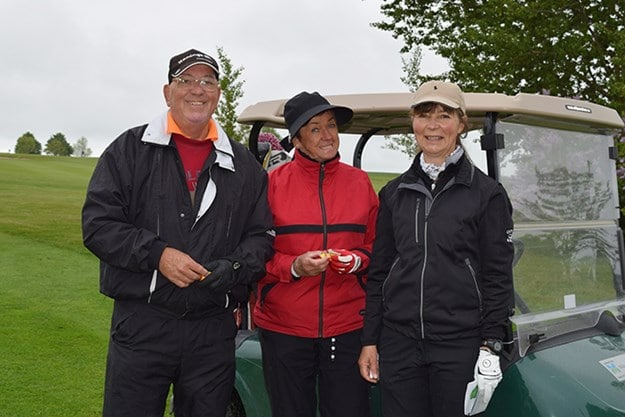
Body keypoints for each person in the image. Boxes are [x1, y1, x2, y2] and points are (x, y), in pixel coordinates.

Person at [81, 48, 274, 417]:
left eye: (207, 82)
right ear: (168, 91)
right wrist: (158, 255)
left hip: (212, 329)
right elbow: (98, 225)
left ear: (218, 94)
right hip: (142, 323)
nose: (197, 90)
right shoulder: (130, 150)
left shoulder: (244, 165)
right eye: (186, 81)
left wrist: (232, 269)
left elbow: (261, 236)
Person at [358, 81, 515, 417]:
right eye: (424, 115)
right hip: (399, 342)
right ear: (412, 123)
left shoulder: (486, 194)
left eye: (444, 115)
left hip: (460, 344)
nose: (433, 125)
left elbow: (497, 275)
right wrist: (370, 340)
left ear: (461, 124)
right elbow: (380, 272)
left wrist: (491, 343)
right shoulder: (394, 193)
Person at [253, 91, 379, 417]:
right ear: (296, 140)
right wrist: (293, 267)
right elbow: (253, 254)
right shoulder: (269, 185)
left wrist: (357, 260)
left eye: (332, 125)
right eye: (315, 128)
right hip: (284, 329)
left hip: (348, 326)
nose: (328, 136)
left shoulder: (360, 183)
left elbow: (378, 247)